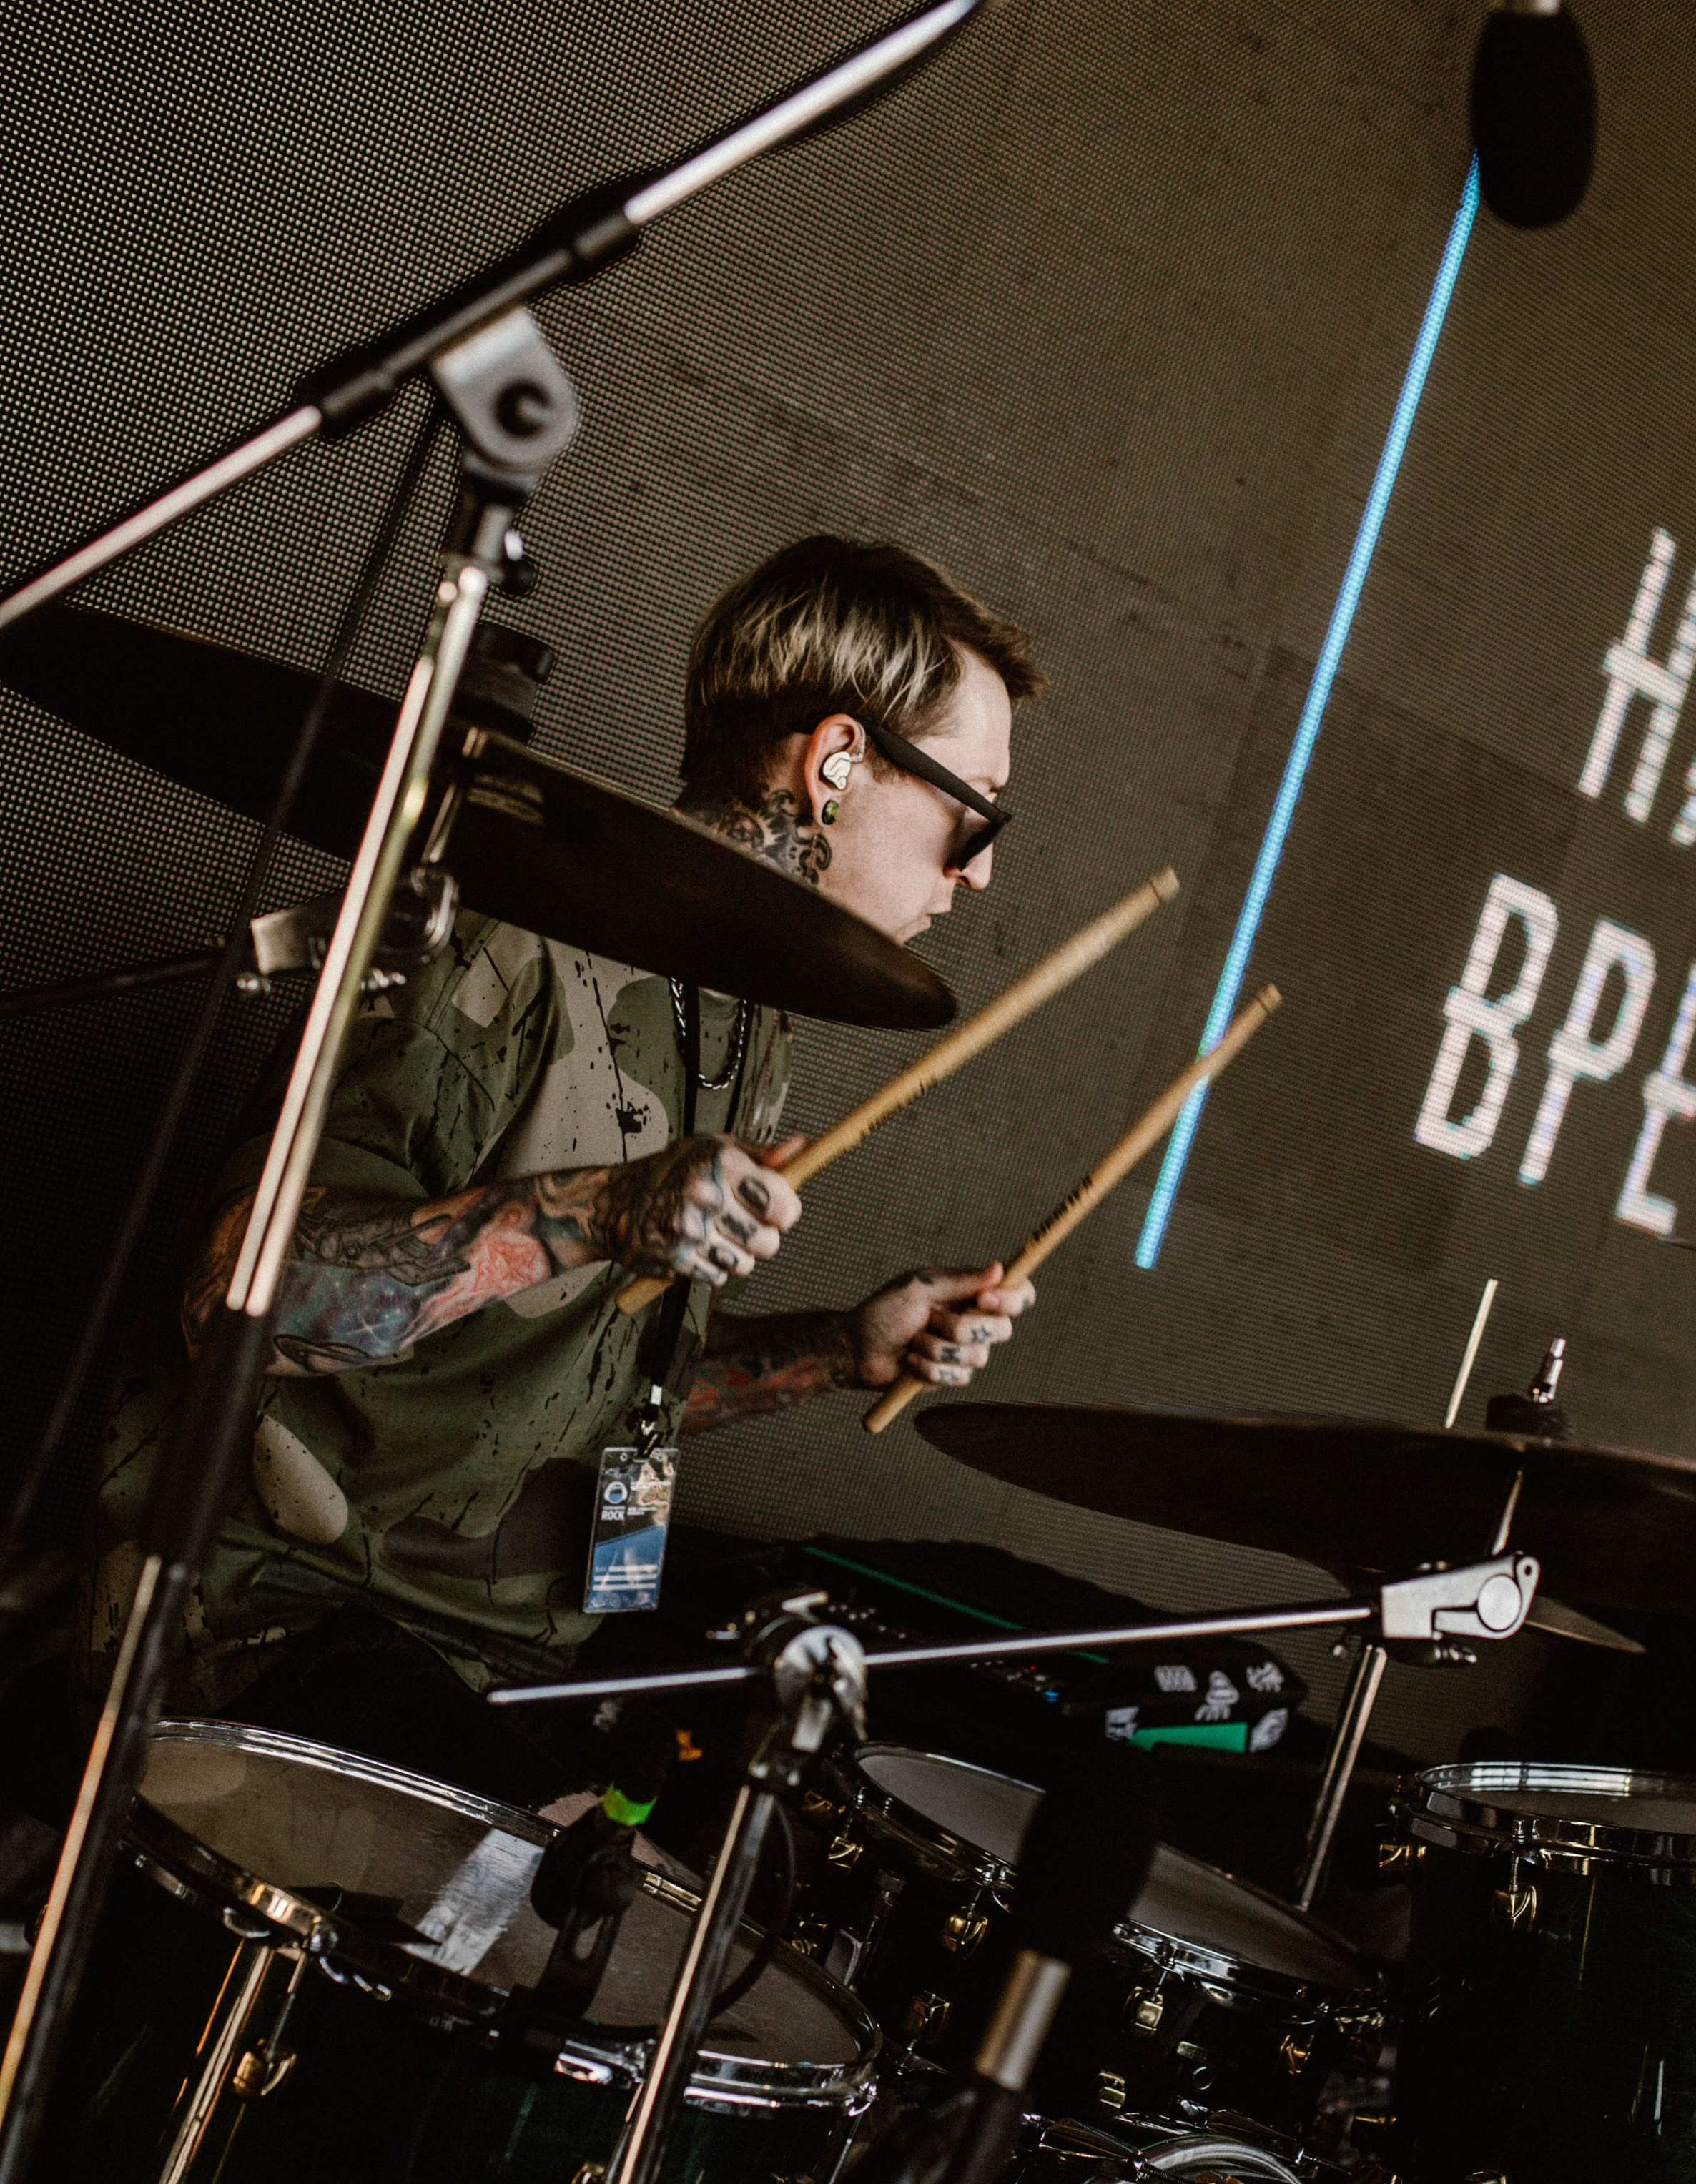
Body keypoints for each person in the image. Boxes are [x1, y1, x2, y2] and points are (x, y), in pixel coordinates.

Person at [79, 537, 1045, 1799]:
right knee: (517, 1905)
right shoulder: (508, 942)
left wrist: (841, 1351)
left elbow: (584, 1390)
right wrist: (599, 1209)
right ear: (839, 760)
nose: (980, 870)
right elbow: (234, 1297)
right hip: (275, 1614)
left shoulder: (756, 1022)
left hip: (528, 1651)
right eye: (974, 812)